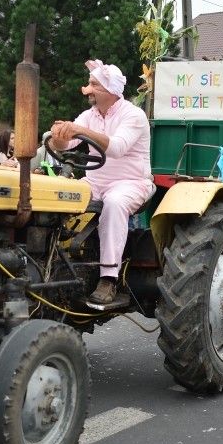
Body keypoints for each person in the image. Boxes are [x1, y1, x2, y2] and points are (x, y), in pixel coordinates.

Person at [50, 59, 154, 306]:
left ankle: (109, 278)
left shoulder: (134, 115)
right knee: (59, 194)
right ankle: (54, 261)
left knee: (114, 203)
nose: (87, 88)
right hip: (95, 180)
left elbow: (117, 147)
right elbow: (67, 146)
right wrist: (59, 137)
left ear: (109, 90)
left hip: (131, 182)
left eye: (93, 84)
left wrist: (79, 131)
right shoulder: (89, 115)